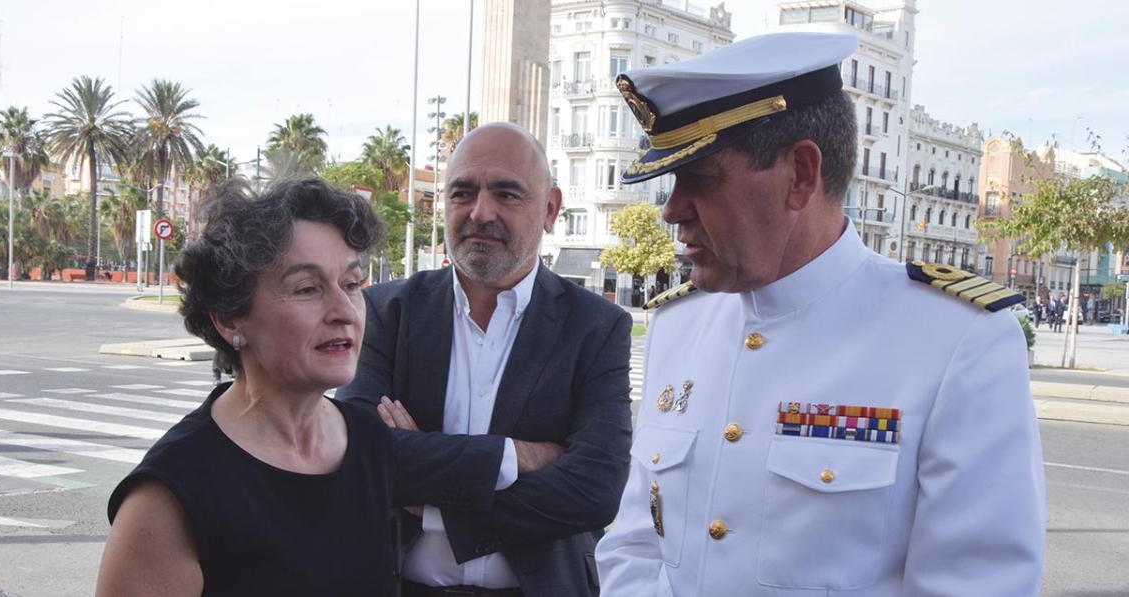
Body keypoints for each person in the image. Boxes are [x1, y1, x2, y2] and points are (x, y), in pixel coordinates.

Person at [595, 32, 1046, 597]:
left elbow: (978, 584)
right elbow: (635, 544)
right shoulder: (679, 325)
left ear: (801, 175)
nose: (672, 210)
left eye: (702, 179)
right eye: (671, 181)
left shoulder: (959, 341)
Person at [337, 122, 633, 597]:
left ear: (551, 209)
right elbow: (357, 451)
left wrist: (429, 500)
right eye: (462, 193)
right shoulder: (387, 313)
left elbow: (596, 489)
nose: (481, 212)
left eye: (507, 194)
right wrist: (519, 455)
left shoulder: (596, 328)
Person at [95, 178, 395, 597]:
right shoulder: (171, 495)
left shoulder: (370, 442)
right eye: (307, 289)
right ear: (230, 320)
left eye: (351, 284)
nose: (344, 311)